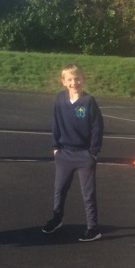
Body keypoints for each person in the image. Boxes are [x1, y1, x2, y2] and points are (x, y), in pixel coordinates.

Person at [42, 64, 104, 242]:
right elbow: (56, 122)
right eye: (69, 79)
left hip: (85, 155)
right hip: (64, 153)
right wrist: (56, 147)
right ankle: (57, 219)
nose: (74, 82)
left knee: (88, 194)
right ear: (63, 82)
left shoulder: (89, 101)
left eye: (77, 79)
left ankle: (93, 228)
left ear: (83, 80)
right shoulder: (60, 98)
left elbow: (97, 127)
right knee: (60, 189)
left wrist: (93, 152)